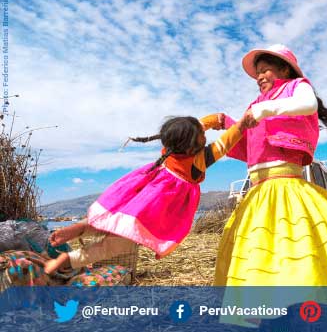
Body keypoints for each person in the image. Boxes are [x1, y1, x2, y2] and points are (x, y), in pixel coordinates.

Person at [213, 44, 327, 313]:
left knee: (290, 249)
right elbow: (249, 147)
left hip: (284, 187)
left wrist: (266, 110)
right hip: (258, 192)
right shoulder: (255, 105)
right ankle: (273, 315)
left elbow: (307, 104)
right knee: (264, 253)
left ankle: (294, 315)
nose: (260, 77)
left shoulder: (296, 87)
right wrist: (230, 124)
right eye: (257, 73)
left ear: (284, 69)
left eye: (265, 70)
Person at [44, 114, 255, 274]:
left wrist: (214, 120)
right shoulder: (199, 160)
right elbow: (224, 143)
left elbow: (192, 128)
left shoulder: (170, 149)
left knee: (115, 220)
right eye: (203, 135)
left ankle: (84, 227)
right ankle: (69, 260)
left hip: (141, 194)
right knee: (118, 244)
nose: (205, 134)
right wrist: (241, 125)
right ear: (196, 143)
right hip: (155, 208)